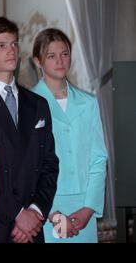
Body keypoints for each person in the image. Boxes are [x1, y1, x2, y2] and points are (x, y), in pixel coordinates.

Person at [0, 16, 59, 243]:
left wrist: (36, 211)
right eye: (1, 45)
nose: (11, 50)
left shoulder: (38, 103)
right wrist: (18, 214)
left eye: (14, 44)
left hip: (33, 228)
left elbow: (49, 164)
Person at [31, 28, 108, 243]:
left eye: (65, 54)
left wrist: (89, 208)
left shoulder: (89, 102)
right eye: (51, 56)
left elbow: (98, 158)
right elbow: (29, 166)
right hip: (46, 206)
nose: (60, 61)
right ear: (38, 61)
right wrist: (52, 213)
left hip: (84, 205)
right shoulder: (29, 105)